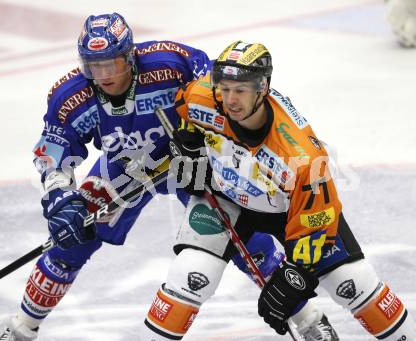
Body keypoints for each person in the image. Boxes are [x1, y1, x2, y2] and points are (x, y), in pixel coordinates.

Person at [0, 13, 336, 341]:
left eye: (111, 64)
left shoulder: (169, 62)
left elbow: (215, 90)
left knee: (239, 235)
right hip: (124, 169)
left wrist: (204, 142)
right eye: (92, 65)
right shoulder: (71, 96)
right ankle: (21, 328)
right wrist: (60, 198)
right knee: (71, 240)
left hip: (189, 163)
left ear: (130, 57)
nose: (102, 75)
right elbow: (52, 152)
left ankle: (306, 318)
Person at [141, 40, 416, 340]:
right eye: (225, 88)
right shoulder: (204, 96)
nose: (230, 99)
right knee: (191, 274)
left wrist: (295, 278)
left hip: (289, 212)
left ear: (263, 88)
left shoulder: (301, 158)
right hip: (225, 197)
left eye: (241, 90)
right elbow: (186, 114)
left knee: (352, 282)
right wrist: (189, 145)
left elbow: (317, 224)